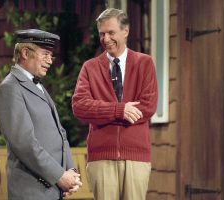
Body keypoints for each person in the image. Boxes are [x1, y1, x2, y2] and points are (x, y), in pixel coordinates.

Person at [72, 8, 158, 200]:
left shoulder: (145, 63)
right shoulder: (90, 67)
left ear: (125, 31)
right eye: (102, 34)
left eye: (111, 33)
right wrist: (120, 110)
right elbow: (80, 106)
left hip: (136, 157)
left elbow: (148, 106)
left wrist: (101, 114)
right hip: (101, 158)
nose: (106, 39)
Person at [0, 29, 82, 200]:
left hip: (52, 189)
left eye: (51, 56)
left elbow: (60, 132)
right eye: (45, 54)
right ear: (25, 53)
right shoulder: (10, 88)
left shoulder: (38, 85)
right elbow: (24, 144)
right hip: (32, 190)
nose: (50, 61)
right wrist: (59, 176)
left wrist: (69, 171)